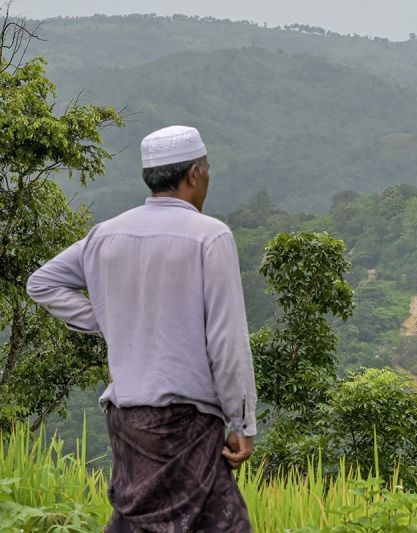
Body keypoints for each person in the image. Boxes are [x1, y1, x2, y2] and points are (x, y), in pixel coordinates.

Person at [26, 125, 257, 532]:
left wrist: (112, 319)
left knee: (219, 523)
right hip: (183, 422)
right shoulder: (210, 236)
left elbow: (41, 283)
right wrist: (242, 423)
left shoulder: (105, 234)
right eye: (207, 169)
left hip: (128, 419)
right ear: (194, 175)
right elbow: (227, 341)